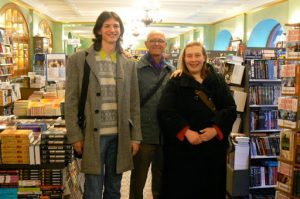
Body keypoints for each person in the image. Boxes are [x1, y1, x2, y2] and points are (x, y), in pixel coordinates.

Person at [65, 11, 142, 199]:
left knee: (114, 188)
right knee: (92, 188)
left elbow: (134, 103)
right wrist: (75, 135)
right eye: (107, 25)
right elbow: (71, 100)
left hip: (120, 135)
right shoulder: (79, 59)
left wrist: (136, 137)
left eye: (116, 26)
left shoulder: (128, 64)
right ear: (98, 30)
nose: (112, 29)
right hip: (92, 135)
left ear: (121, 30)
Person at [157, 41, 237, 199]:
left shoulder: (218, 80)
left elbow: (230, 108)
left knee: (210, 189)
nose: (193, 60)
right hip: (182, 151)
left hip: (212, 150)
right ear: (184, 58)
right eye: (189, 56)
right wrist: (185, 132)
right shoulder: (175, 82)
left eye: (197, 55)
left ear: (204, 57)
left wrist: (216, 130)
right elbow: (164, 111)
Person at [129, 31, 174, 199]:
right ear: (146, 44)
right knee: (137, 181)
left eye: (160, 41)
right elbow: (129, 103)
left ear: (165, 44)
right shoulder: (135, 69)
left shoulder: (172, 71)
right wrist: (133, 135)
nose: (157, 43)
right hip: (143, 135)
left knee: (162, 180)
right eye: (153, 41)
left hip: (165, 136)